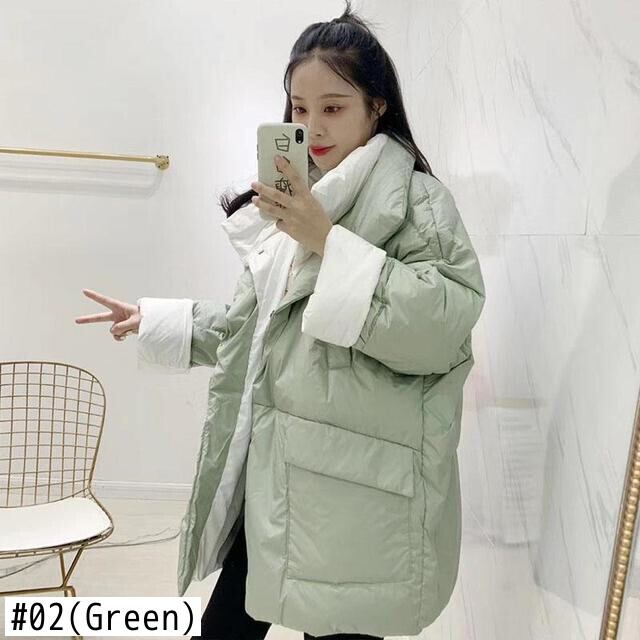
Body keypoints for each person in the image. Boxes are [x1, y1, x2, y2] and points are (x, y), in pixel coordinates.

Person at [75, 2, 486, 638]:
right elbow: (261, 329)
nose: (311, 126)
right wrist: (159, 319)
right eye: (299, 107)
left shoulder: (416, 202)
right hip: (275, 474)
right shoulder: (298, 200)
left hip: (355, 491)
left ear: (377, 107)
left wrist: (327, 241)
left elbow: (442, 325)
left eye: (333, 107)